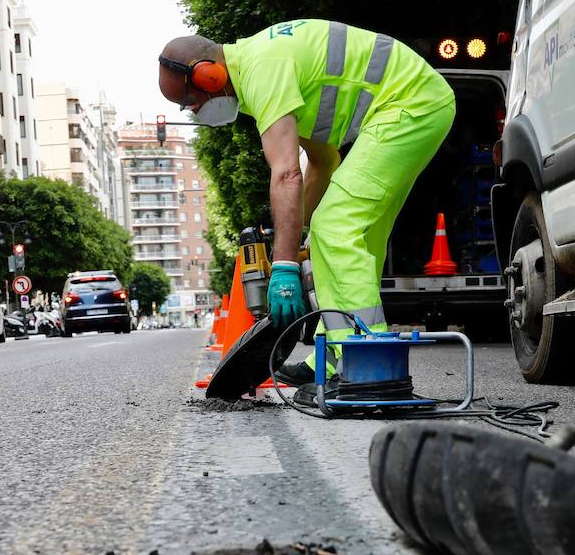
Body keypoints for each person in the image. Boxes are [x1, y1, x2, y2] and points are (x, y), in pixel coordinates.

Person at [158, 21, 454, 402]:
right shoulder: (257, 69)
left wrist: (282, 267)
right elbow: (323, 160)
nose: (194, 111)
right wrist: (297, 243)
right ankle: (335, 360)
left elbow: (286, 173)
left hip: (409, 105)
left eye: (190, 101)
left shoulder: (262, 70)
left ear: (209, 75)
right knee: (342, 236)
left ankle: (364, 373)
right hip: (417, 104)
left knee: (334, 227)